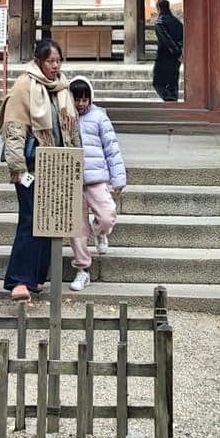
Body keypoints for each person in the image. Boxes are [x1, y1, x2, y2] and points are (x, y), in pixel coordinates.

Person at [0, 39, 80, 300]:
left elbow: (71, 127)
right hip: (31, 164)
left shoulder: (63, 86)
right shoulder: (26, 85)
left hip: (57, 165)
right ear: (38, 60)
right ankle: (19, 279)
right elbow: (14, 129)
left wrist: (77, 159)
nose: (55, 66)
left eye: (58, 61)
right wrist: (17, 168)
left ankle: (37, 276)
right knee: (30, 218)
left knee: (49, 220)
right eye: (50, 61)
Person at [68, 76, 126, 292]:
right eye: (77, 99)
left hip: (96, 178)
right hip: (72, 179)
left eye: (85, 99)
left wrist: (118, 178)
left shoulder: (100, 117)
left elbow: (112, 149)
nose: (81, 104)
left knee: (107, 214)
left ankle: (100, 233)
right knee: (77, 230)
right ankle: (82, 270)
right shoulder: (64, 116)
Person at [152, 0, 184, 103]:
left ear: (159, 9)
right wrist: (180, 51)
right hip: (176, 57)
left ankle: (167, 98)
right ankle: (173, 99)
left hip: (164, 55)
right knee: (173, 80)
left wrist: (175, 51)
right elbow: (183, 37)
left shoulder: (159, 22)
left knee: (157, 81)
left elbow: (166, 39)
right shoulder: (177, 22)